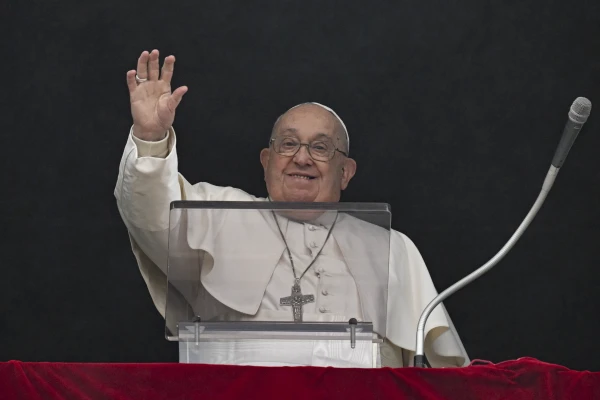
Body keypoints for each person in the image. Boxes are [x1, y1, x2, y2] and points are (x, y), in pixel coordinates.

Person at [115, 49, 469, 367]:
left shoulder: (395, 250)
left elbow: (437, 374)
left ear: (345, 172)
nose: (302, 158)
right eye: (288, 144)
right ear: (267, 161)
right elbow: (150, 216)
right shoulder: (215, 213)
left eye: (320, 147)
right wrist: (150, 137)